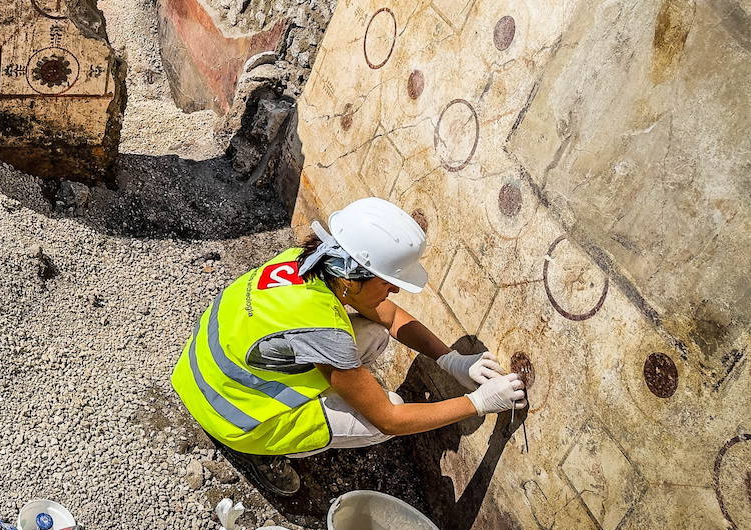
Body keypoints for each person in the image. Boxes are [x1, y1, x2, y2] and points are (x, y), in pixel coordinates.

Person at [171, 197, 525, 471]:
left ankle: (320, 402)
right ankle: (266, 454)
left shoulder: (307, 260)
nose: (396, 292)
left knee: (375, 332)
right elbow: (390, 419)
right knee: (386, 417)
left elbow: (387, 315)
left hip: (200, 375)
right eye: (388, 282)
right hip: (238, 418)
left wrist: (449, 360)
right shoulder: (325, 329)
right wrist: (477, 403)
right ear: (353, 277)